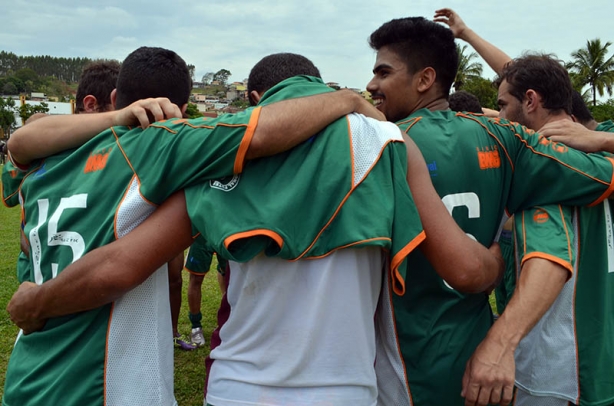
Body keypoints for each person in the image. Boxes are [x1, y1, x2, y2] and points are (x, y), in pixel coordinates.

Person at [6, 52, 504, 406]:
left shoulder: (210, 154)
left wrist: (39, 301)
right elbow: (465, 270)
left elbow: (120, 261)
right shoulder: (387, 141)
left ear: (255, 96)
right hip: (345, 388)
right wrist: (503, 253)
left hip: (234, 385)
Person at [365, 16, 614, 406]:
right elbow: (604, 175)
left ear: (425, 78)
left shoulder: (377, 145)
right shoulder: (506, 138)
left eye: (382, 71)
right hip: (477, 361)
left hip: (405, 366)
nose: (371, 85)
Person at [461, 54, 614, 406]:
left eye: (502, 105)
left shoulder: (544, 167)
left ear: (530, 100)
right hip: (600, 364)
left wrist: (499, 344)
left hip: (554, 373)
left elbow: (549, 257)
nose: (498, 116)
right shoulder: (600, 155)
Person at [184, 238, 228, 347]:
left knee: (229, 274)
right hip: (202, 233)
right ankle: (196, 327)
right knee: (196, 278)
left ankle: (229, 321)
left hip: (225, 230)